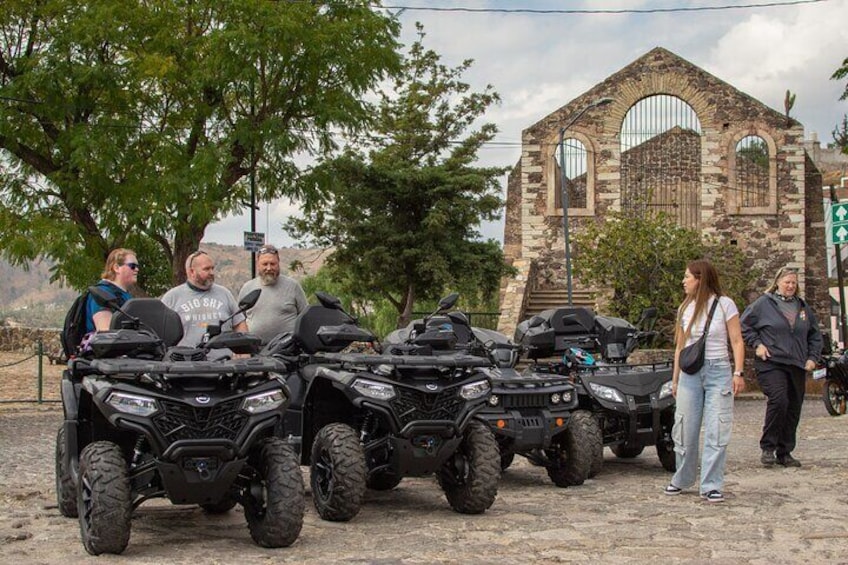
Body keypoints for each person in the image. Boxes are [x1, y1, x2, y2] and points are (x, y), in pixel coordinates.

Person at [665, 259, 746, 503]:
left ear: (700, 279)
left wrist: (738, 372)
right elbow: (680, 346)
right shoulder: (684, 308)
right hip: (690, 373)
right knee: (684, 429)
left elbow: (737, 341)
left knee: (716, 429)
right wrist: (675, 379)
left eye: (687, 277)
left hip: (718, 370)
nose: (683, 281)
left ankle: (711, 484)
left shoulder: (725, 305)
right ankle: (682, 477)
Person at [740, 265, 823, 468]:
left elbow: (815, 335)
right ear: (777, 282)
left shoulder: (802, 308)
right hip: (771, 362)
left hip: (796, 363)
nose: (790, 286)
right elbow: (744, 325)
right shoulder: (763, 304)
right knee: (779, 400)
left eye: (794, 283)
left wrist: (812, 357)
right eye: (787, 282)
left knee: (794, 406)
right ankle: (768, 447)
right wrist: (757, 344)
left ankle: (785, 451)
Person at [161, 249, 247, 347]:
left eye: (212, 268)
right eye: (206, 269)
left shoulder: (225, 293)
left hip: (223, 360)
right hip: (185, 360)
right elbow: (160, 331)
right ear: (192, 271)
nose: (211, 273)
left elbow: (239, 323)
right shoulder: (172, 297)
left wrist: (243, 349)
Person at [238, 244, 308, 344]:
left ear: (278, 263)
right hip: (255, 350)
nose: (269, 268)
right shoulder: (247, 288)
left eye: (273, 264)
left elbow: (306, 318)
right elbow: (239, 321)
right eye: (265, 264)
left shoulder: (293, 286)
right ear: (258, 264)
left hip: (288, 351)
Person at [85, 248, 138, 332]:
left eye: (137, 266)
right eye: (132, 266)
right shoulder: (101, 293)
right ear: (116, 268)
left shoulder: (125, 295)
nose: (137, 269)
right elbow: (105, 333)